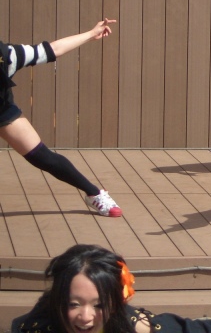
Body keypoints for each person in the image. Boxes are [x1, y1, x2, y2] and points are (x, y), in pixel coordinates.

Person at [11, 244, 211, 333]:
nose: (85, 317)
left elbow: (210, 329)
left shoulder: (137, 327)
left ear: (117, 300)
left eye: (98, 305)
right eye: (74, 304)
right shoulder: (33, 328)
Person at [0, 19, 122, 217]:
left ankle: (94, 193)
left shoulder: (9, 56)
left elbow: (53, 49)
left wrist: (91, 34)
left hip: (2, 112)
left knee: (43, 157)